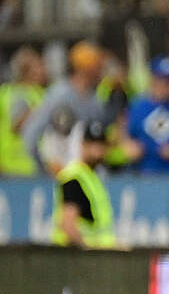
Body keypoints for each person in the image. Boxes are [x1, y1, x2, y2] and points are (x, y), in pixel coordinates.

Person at [22, 41, 108, 174]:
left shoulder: (95, 100)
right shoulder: (58, 95)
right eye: (97, 66)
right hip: (58, 174)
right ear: (85, 68)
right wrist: (43, 168)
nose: (101, 70)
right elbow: (31, 133)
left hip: (85, 174)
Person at [52, 118, 116, 248]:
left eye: (101, 144)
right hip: (76, 258)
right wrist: (88, 251)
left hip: (94, 255)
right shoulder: (74, 177)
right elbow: (68, 224)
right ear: (82, 145)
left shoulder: (92, 178)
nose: (97, 150)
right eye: (92, 144)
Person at [0, 45, 48, 176]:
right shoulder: (18, 94)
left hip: (36, 164)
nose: (44, 70)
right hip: (16, 166)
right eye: (39, 66)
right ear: (26, 71)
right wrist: (40, 110)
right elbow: (18, 125)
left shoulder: (38, 93)